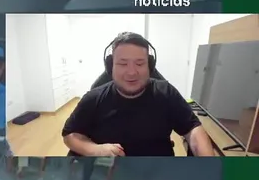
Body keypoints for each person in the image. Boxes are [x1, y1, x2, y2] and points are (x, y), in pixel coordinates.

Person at [62, 33, 215, 158]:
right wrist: (96, 150)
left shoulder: (166, 93)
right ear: (110, 66)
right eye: (123, 64)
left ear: (150, 66)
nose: (131, 72)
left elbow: (193, 130)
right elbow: (70, 134)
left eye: (140, 63)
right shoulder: (93, 98)